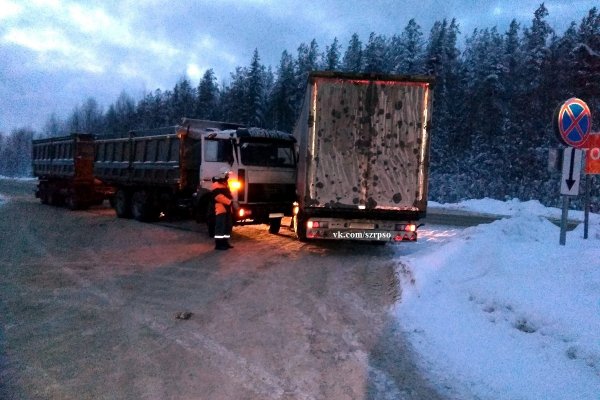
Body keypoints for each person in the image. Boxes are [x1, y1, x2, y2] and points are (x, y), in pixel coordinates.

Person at [211, 167, 234, 250]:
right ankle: (218, 244)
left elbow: (229, 195)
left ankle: (225, 242)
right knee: (220, 226)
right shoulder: (216, 184)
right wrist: (229, 202)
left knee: (228, 226)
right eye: (227, 174)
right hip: (221, 209)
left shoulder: (225, 184)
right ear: (223, 174)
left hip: (227, 209)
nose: (228, 176)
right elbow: (218, 197)